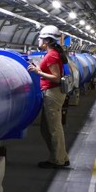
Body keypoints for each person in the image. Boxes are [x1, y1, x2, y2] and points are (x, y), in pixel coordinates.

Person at [27, 25, 70, 168]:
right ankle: (60, 156)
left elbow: (56, 78)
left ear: (46, 40)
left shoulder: (52, 55)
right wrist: (39, 68)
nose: (38, 41)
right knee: (47, 128)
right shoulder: (51, 54)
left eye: (40, 39)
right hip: (52, 92)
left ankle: (58, 160)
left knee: (53, 128)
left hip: (53, 93)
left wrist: (37, 72)